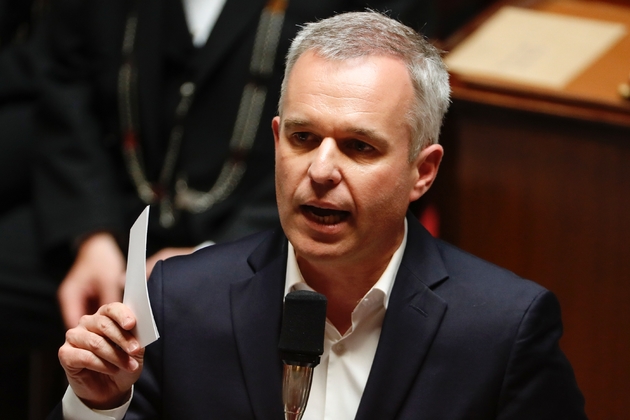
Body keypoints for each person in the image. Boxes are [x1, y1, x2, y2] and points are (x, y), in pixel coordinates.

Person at [48, 11, 586, 419]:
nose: (321, 169)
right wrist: (100, 404)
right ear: (278, 139)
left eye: (359, 147)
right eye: (304, 138)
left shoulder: (503, 327)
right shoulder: (180, 298)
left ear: (423, 171)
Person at [33, 0, 436, 331]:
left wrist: (214, 259)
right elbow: (65, 86)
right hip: (105, 212)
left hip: (268, 227)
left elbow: (367, 131)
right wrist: (91, 234)